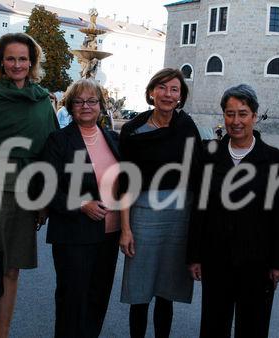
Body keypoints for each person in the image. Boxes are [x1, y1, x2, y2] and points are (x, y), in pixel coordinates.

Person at [0, 32, 59, 338]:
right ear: (1, 62)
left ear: (31, 62)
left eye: (23, 58)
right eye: (11, 58)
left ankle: (3, 335)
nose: (17, 64)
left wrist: (44, 198)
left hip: (25, 196)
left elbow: (50, 152)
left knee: (11, 271)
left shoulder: (43, 100)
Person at [187, 84, 279, 338]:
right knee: (213, 325)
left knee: (253, 327)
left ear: (254, 117)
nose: (236, 121)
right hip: (216, 259)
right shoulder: (209, 153)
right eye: (230, 113)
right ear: (223, 116)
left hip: (258, 262)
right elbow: (199, 207)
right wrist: (194, 255)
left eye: (243, 113)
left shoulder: (274, 158)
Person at [118, 68, 203, 338]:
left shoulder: (187, 127)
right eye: (162, 88)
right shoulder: (133, 130)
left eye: (174, 89)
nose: (168, 94)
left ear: (181, 96)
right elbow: (125, 182)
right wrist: (125, 229)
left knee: (166, 291)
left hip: (179, 217)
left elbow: (199, 173)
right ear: (151, 92)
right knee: (140, 290)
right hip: (143, 215)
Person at [42, 79, 120, 337]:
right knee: (72, 303)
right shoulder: (59, 141)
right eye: (79, 101)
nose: (86, 106)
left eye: (92, 101)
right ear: (71, 106)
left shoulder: (113, 139)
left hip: (108, 236)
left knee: (97, 301)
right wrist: (81, 204)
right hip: (73, 235)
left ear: (100, 105)